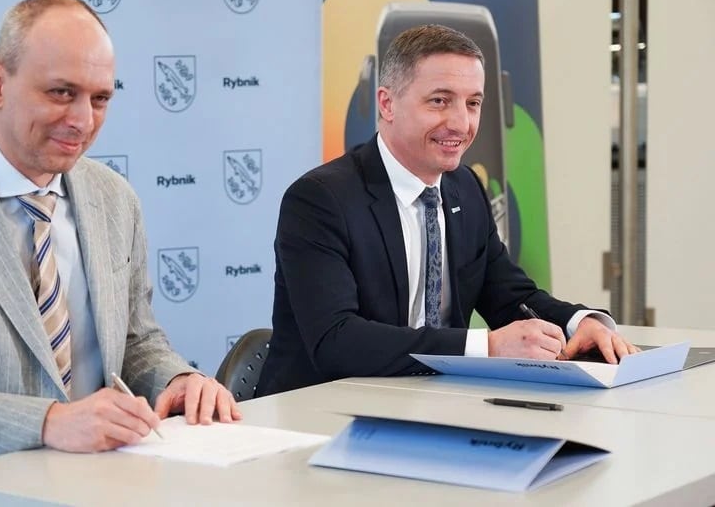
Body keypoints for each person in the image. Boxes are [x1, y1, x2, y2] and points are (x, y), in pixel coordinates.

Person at [0, 0, 240, 472]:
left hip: (106, 485)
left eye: (100, 98)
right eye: (61, 93)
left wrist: (177, 381)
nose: (84, 121)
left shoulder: (115, 198)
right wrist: (48, 423)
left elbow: (136, 341)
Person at [256, 24, 638, 396]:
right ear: (387, 104)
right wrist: (487, 347)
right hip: (319, 412)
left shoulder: (465, 187)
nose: (461, 123)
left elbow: (509, 296)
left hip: (434, 403)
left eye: (473, 103)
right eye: (439, 101)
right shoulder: (320, 200)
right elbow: (336, 341)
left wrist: (577, 324)